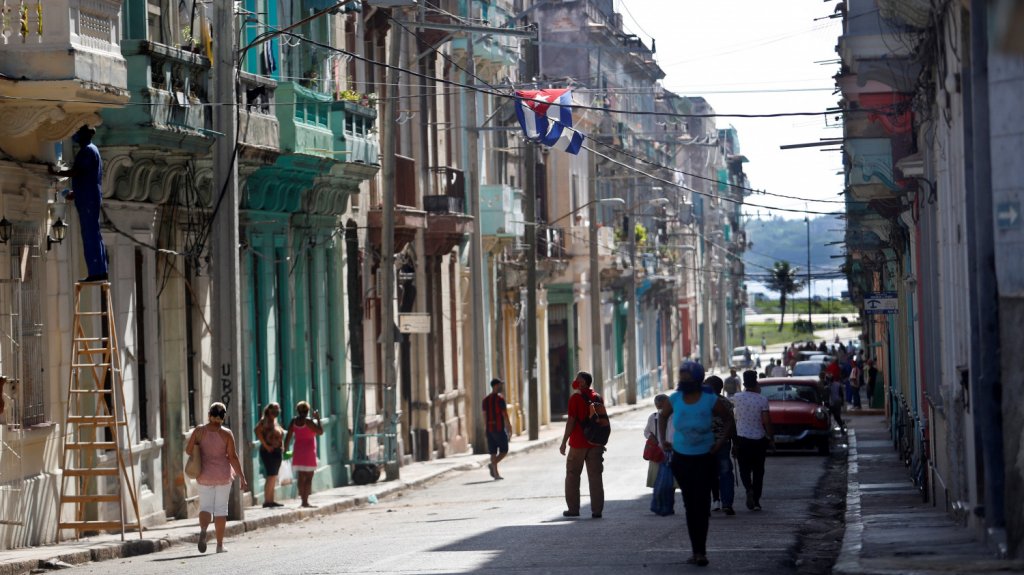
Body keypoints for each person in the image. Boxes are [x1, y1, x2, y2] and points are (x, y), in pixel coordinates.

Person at [658, 361, 735, 567]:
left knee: (701, 505)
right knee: (691, 505)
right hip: (681, 459)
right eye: (681, 376)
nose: (683, 380)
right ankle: (697, 551)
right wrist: (663, 440)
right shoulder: (674, 399)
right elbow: (662, 417)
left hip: (705, 458)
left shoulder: (710, 399)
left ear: (698, 378)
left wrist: (720, 443)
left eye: (687, 377)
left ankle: (701, 551)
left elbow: (729, 419)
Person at [185, 403, 248, 554]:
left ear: (209, 414)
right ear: (223, 416)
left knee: (206, 507)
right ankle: (219, 546)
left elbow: (188, 451)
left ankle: (203, 530)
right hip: (223, 475)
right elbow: (232, 457)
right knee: (221, 510)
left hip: (204, 475)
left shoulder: (199, 431)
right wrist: (242, 477)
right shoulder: (226, 434)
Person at [49, 125, 108, 282]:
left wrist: (55, 172)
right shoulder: (92, 150)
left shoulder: (87, 151)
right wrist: (76, 193)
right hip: (88, 196)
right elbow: (87, 177)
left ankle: (95, 273)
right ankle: (101, 270)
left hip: (88, 198)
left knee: (89, 234)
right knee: (93, 233)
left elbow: (77, 172)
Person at [559, 371, 604, 519]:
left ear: (583, 382)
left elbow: (571, 421)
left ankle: (573, 509)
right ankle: (597, 511)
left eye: (578, 379)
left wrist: (564, 441)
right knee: (595, 477)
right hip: (595, 443)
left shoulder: (575, 398)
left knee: (572, 475)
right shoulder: (597, 397)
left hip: (578, 443)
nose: (575, 381)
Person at [731, 371, 774, 512]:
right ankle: (756, 501)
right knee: (758, 471)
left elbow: (732, 416)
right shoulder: (762, 399)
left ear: (744, 384)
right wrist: (770, 437)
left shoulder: (736, 398)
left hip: (741, 438)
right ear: (756, 383)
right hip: (758, 439)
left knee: (744, 469)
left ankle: (748, 489)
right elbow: (767, 421)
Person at [283, 401, 324, 508]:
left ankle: (302, 500)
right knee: (309, 477)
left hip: (298, 451)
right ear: (307, 411)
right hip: (309, 452)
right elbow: (320, 431)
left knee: (301, 477)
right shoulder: (309, 422)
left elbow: (288, 437)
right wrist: (318, 418)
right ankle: (305, 501)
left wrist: (285, 450)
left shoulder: (293, 421)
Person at [705, 376, 736, 516]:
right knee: (725, 473)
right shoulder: (726, 402)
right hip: (722, 443)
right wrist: (735, 442)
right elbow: (732, 424)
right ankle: (727, 504)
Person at [644, 394, 675, 516]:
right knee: (659, 481)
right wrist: (651, 437)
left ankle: (668, 506)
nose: (661, 409)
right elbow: (647, 432)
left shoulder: (675, 416)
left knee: (669, 482)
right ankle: (660, 505)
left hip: (672, 451)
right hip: (658, 453)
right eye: (659, 406)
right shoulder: (653, 417)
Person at [254, 402, 284, 508]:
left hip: (277, 451)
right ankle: (267, 500)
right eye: (274, 409)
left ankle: (271, 499)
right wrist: (266, 446)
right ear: (269, 410)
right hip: (269, 452)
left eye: (278, 409)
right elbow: (257, 431)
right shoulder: (265, 421)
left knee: (273, 476)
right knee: (270, 475)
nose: (277, 411)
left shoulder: (274, 421)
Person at [482, 378, 513, 480]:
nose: (501, 387)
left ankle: (495, 473)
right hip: (498, 428)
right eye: (500, 385)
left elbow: (484, 416)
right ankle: (493, 465)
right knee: (504, 450)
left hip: (490, 429)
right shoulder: (500, 399)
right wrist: (509, 427)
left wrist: (485, 429)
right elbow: (504, 414)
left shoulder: (485, 400)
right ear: (495, 386)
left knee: (493, 452)